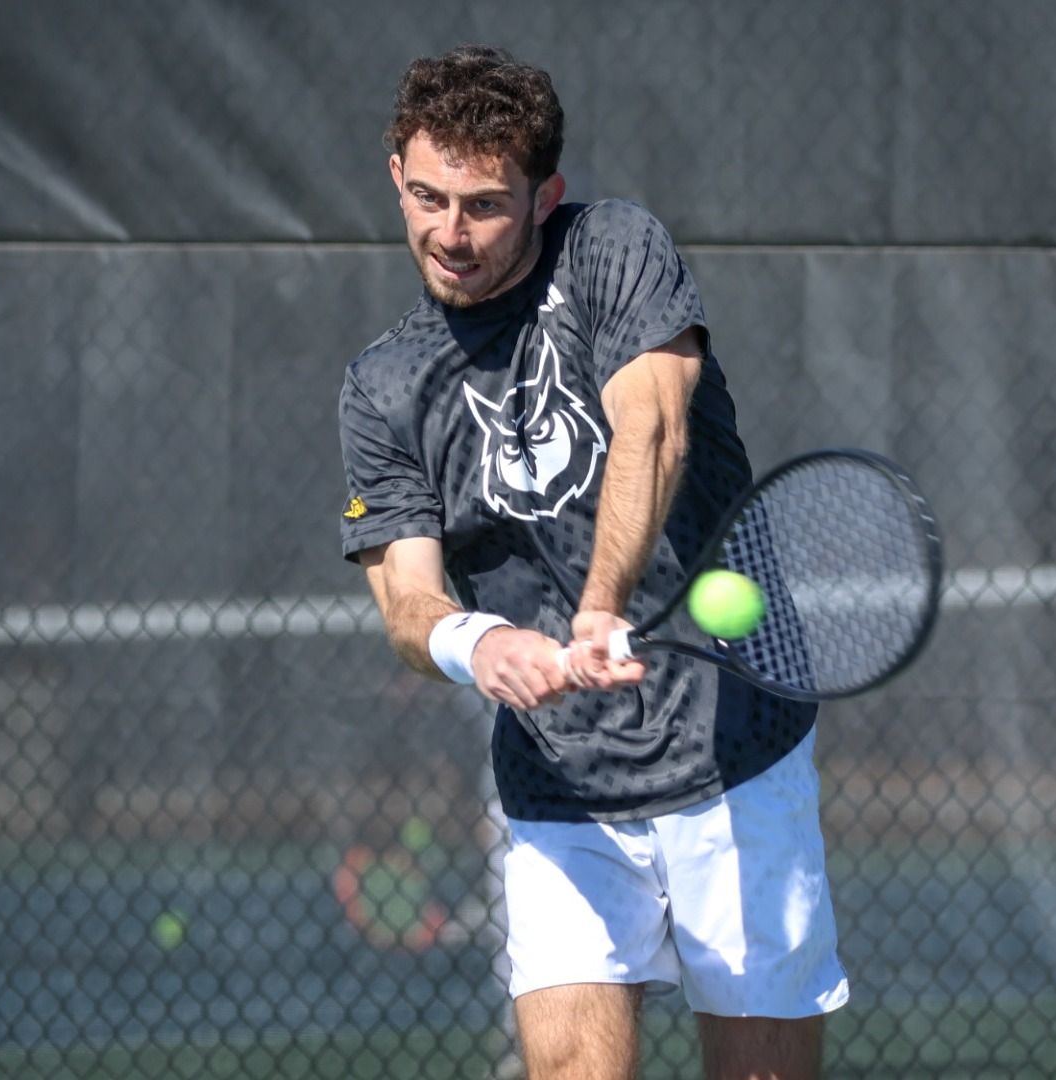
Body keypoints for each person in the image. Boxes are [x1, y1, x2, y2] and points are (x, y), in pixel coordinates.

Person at [337, 45, 848, 1080]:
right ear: (396, 173)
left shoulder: (613, 248)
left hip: (733, 753)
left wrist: (600, 604)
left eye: (484, 204)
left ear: (544, 196)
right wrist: (477, 645)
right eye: (428, 197)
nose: (450, 232)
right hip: (558, 789)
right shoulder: (384, 386)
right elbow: (407, 595)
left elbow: (652, 427)